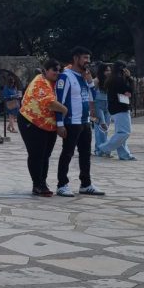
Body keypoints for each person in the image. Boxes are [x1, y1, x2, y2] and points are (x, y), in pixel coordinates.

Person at [55, 47, 105, 197]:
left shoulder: (84, 77)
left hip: (84, 121)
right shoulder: (65, 77)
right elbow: (59, 101)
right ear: (76, 59)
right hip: (71, 122)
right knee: (68, 153)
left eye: (89, 58)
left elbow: (93, 97)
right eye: (85, 58)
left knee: (85, 154)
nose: (87, 62)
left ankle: (86, 183)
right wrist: (59, 123)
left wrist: (90, 82)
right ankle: (62, 184)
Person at [18, 60, 69, 197]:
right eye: (54, 70)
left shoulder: (53, 82)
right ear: (45, 70)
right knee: (36, 155)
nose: (57, 73)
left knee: (45, 155)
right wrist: (65, 110)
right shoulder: (40, 82)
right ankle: (37, 184)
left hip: (47, 124)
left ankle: (42, 182)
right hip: (31, 121)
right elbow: (50, 103)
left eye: (59, 70)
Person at [96, 61, 136, 161]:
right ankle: (103, 148)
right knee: (125, 132)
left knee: (120, 132)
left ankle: (124, 154)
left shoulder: (112, 79)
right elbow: (129, 91)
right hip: (121, 108)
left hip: (115, 108)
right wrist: (129, 79)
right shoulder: (118, 80)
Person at [92, 63, 112, 156]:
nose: (108, 72)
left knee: (106, 128)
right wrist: (92, 110)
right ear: (102, 71)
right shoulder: (96, 80)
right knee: (100, 127)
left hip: (108, 106)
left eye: (109, 70)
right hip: (98, 106)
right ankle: (99, 150)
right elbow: (91, 95)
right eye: (106, 70)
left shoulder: (110, 81)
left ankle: (105, 148)